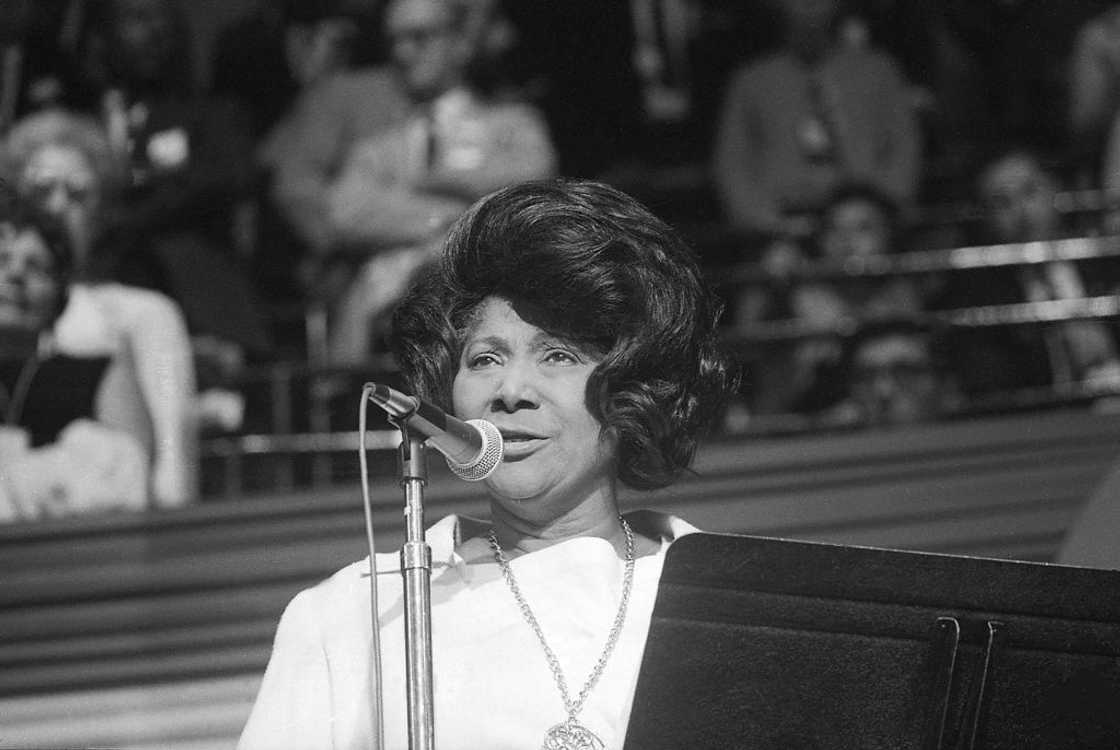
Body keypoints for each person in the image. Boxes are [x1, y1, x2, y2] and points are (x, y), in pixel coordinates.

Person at [237, 179, 735, 748]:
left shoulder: (725, 598)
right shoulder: (357, 613)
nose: (511, 390)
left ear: (635, 386)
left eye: (558, 355)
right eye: (484, 359)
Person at [321, 0, 556, 363]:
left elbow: (527, 195)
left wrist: (426, 254)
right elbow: (346, 211)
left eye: (420, 37)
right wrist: (451, 214)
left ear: (460, 43)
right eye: (394, 40)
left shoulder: (512, 125)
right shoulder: (378, 146)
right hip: (384, 345)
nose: (403, 53)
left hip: (491, 331)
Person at [3, 109, 198, 507]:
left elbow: (173, 464)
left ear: (101, 211)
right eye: (42, 191)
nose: (57, 206)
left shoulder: (143, 314)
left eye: (77, 194)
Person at [0, 185, 149, 522]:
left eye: (36, 266)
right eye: (2, 259)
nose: (15, 274)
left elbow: (133, 500)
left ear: (59, 294)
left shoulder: (99, 374)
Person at [711, 0, 920, 238]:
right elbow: (732, 162)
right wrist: (764, 221)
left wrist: (882, 210)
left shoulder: (878, 70)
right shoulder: (751, 80)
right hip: (779, 222)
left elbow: (905, 145)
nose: (808, 8)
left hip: (865, 220)